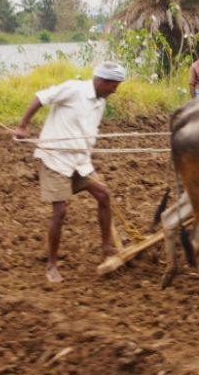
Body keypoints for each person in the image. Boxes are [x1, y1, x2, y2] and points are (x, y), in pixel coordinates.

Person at [14, 61, 126, 283]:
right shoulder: (74, 89)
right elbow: (41, 98)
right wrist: (22, 126)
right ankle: (52, 265)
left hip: (80, 162)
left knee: (104, 195)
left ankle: (106, 247)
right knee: (60, 211)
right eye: (114, 85)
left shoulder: (100, 102)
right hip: (55, 160)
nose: (115, 90)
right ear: (103, 82)